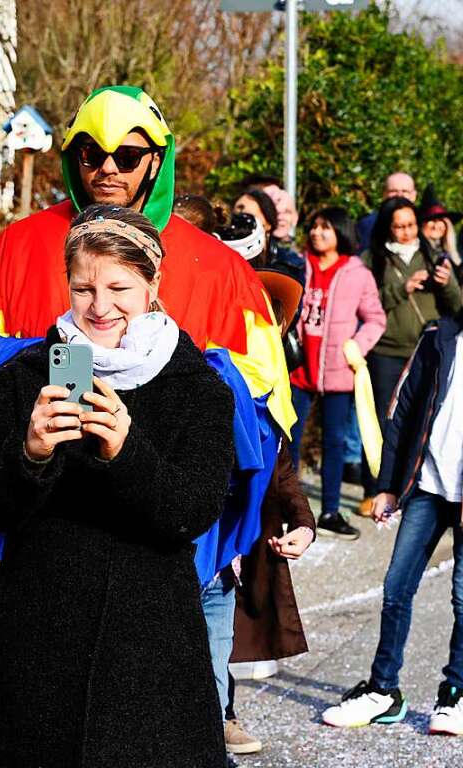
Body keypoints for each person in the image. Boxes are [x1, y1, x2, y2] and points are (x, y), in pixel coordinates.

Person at [0, 204, 235, 768]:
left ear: (154, 284)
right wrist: (30, 453)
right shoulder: (27, 375)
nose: (100, 306)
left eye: (119, 287)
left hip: (150, 649)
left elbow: (192, 512)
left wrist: (127, 452)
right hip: (37, 641)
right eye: (83, 288)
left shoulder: (199, 388)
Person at [0, 85, 294, 441]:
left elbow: (262, 394)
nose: (108, 168)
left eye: (127, 156)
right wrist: (45, 363)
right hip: (42, 470)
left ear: (156, 159)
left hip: (168, 477)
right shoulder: (18, 246)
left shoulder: (223, 269)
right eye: (92, 154)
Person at [322, 311, 463, 735]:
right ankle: (384, 691)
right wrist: (388, 484)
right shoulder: (441, 334)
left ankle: (455, 694)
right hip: (427, 485)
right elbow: (403, 408)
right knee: (396, 588)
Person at [224, 262, 316, 757]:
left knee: (216, 625)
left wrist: (304, 523)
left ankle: (223, 712)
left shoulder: (268, 390)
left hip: (228, 548)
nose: (266, 324)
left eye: (274, 317)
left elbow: (281, 469)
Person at [289, 207, 386, 539]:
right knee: (288, 437)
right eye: (314, 227)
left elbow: (376, 318)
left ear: (341, 232)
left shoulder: (357, 273)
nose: (317, 233)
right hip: (297, 367)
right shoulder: (299, 264)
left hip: (338, 372)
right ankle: (284, 508)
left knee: (334, 443)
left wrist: (356, 347)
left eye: (325, 227)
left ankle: (330, 510)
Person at [361, 197, 462, 506]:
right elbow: (365, 303)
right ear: (387, 227)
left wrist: (447, 284)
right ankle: (375, 488)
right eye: (399, 226)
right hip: (386, 350)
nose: (406, 232)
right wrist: (400, 288)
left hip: (427, 351)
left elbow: (457, 307)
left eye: (410, 225)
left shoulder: (432, 254)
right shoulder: (372, 259)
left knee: (425, 417)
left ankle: (411, 484)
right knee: (383, 420)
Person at [357, 172, 417, 254]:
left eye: (405, 191)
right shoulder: (368, 224)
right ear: (384, 194)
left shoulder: (423, 223)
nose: (399, 195)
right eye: (393, 191)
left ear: (414, 195)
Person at [418, 184, 462, 284]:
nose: (436, 225)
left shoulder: (452, 253)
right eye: (431, 220)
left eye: (440, 220)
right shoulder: (417, 253)